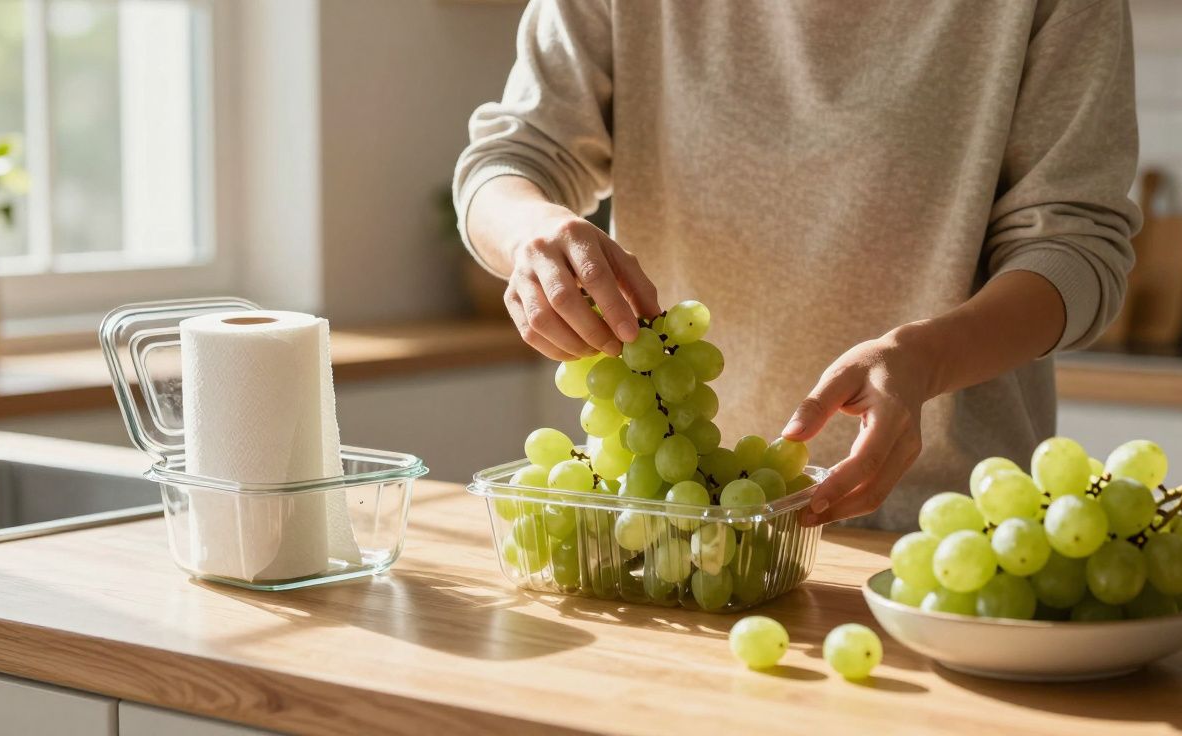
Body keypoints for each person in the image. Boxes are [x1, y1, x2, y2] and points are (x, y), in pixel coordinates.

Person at [453, 1, 1141, 530]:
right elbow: (509, 161)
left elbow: (1075, 247)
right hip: (673, 519)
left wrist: (926, 360)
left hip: (945, 535)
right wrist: (533, 232)